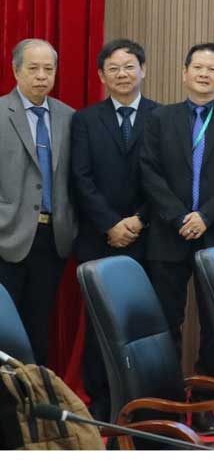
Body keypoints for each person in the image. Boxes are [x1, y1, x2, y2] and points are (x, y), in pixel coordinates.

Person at [141, 42, 214, 414]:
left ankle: (205, 403)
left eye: (213, 69)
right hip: (168, 234)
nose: (204, 74)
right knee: (165, 321)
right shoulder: (160, 118)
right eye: (198, 67)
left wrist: (205, 216)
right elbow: (149, 172)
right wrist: (179, 216)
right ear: (184, 72)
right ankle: (168, 401)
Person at [69, 38, 158, 419]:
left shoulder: (162, 116)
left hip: (149, 237)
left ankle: (144, 401)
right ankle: (101, 401)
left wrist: (139, 219)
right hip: (99, 237)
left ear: (143, 70)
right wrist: (110, 223)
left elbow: (169, 178)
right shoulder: (85, 120)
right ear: (101, 76)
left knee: (143, 323)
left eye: (129, 66)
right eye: (114, 69)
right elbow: (80, 178)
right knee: (98, 325)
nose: (122, 74)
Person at [0, 39, 76, 366]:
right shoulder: (1, 112)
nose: (41, 76)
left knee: (38, 327)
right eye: (33, 68)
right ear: (16, 71)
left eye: (49, 69)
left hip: (51, 239)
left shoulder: (68, 117)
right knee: (5, 330)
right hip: (6, 238)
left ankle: (36, 393)